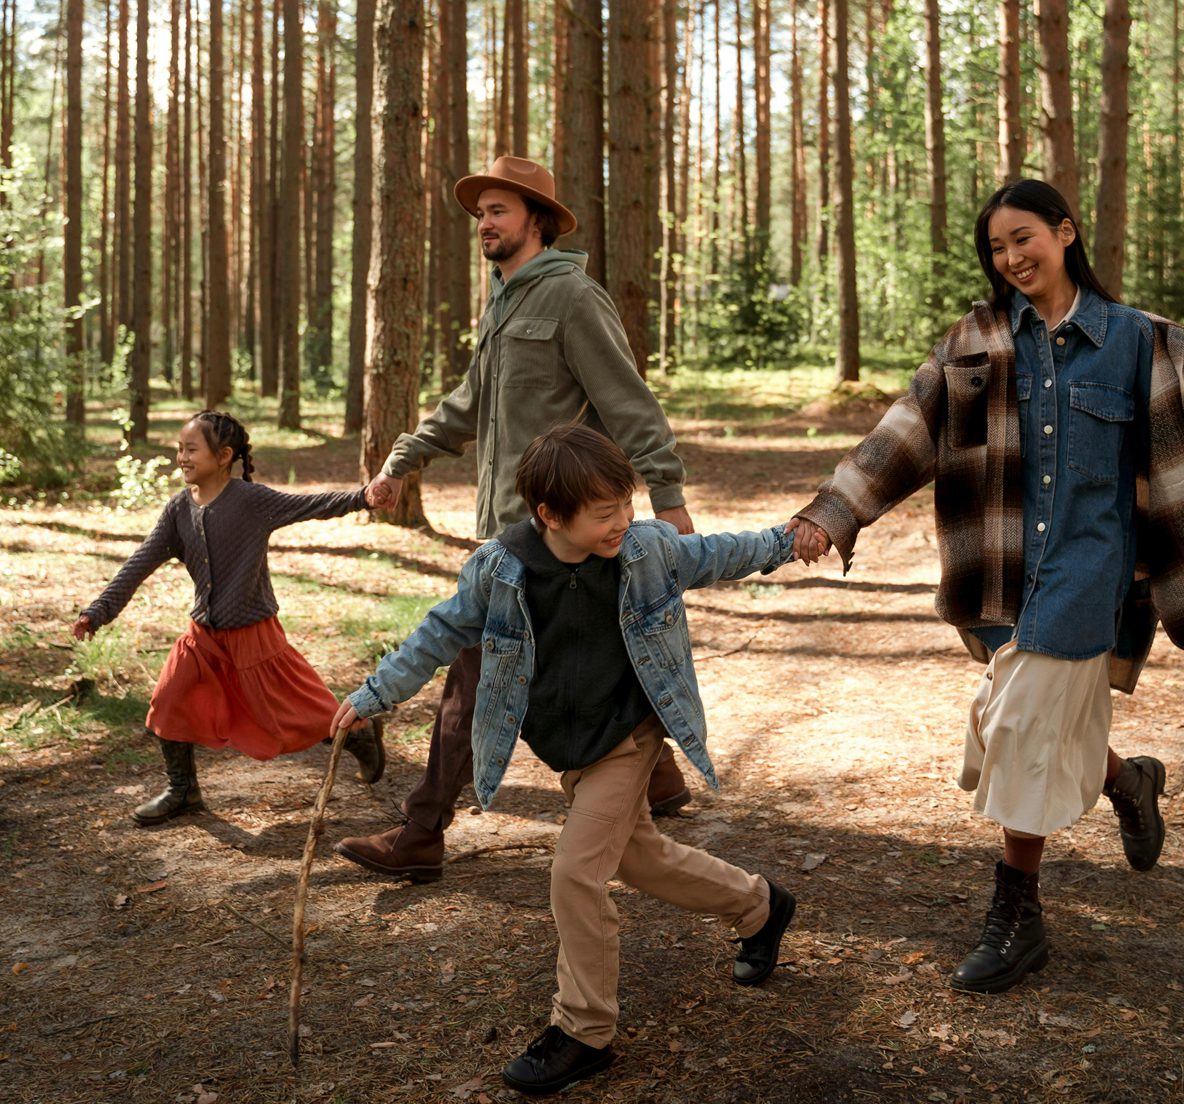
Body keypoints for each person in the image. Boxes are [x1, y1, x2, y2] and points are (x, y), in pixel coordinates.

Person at [790, 179, 1184, 995]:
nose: (1012, 258)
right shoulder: (972, 343)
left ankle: (1019, 916)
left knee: (1012, 729)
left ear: (1066, 232)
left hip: (1092, 573)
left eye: (1025, 238)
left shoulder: (1142, 341)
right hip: (1001, 571)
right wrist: (837, 511)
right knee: (1014, 725)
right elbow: (905, 431)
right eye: (997, 248)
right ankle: (1128, 779)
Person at [332, 424, 796, 1094]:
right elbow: (437, 632)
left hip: (626, 737)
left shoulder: (644, 551)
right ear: (551, 515)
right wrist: (375, 693)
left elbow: (720, 553)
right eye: (605, 513)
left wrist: (787, 539)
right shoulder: (500, 570)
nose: (623, 522)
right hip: (570, 749)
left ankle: (584, 1029)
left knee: (575, 873)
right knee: (640, 858)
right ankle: (760, 907)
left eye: (626, 505)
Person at [335, 155, 696, 882]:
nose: (486, 225)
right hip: (511, 524)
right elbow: (470, 402)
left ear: (537, 220)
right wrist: (403, 460)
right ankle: (659, 781)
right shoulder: (503, 302)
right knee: (583, 652)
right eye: (480, 214)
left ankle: (420, 833)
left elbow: (627, 401)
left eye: (500, 210)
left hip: (552, 526)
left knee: (474, 674)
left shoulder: (572, 298)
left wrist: (668, 495)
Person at [74, 410, 385, 825]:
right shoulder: (178, 510)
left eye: (191, 450)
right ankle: (183, 791)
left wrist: (363, 497)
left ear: (223, 456)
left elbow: (309, 505)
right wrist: (98, 611)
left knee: (299, 715)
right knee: (168, 701)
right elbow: (139, 562)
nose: (182, 458)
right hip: (203, 634)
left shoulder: (250, 502)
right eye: (178, 450)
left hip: (255, 636)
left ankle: (359, 734)